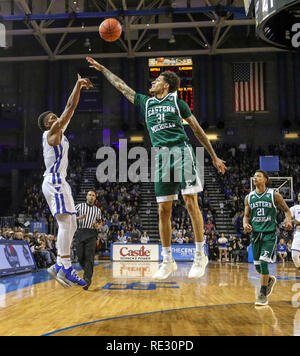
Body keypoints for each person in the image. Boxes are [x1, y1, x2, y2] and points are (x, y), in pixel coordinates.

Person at [86, 56, 226, 280]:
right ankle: (167, 259)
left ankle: (200, 254)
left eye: (157, 80)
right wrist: (103, 70)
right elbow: (122, 87)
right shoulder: (147, 102)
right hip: (161, 157)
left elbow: (198, 130)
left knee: (191, 202)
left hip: (181, 152)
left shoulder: (177, 103)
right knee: (163, 210)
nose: (152, 82)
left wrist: (214, 156)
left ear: (166, 85)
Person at [40, 73, 93, 288]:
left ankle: (58, 266)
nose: (56, 118)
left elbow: (70, 110)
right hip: (54, 180)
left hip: (61, 182)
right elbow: (70, 107)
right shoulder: (50, 134)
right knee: (64, 223)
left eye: (55, 116)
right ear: (46, 124)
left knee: (71, 223)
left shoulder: (59, 132)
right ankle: (65, 266)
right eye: (51, 117)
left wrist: (78, 87)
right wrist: (78, 85)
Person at [243, 169, 292, 306]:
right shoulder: (249, 197)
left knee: (264, 262)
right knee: (258, 268)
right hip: (255, 235)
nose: (255, 178)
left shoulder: (273, 195)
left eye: (258, 176)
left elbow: (287, 210)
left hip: (270, 234)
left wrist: (288, 221)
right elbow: (246, 216)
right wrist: (246, 224)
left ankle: (262, 293)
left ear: (265, 179)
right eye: (254, 176)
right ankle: (269, 280)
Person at [74, 190, 102, 290]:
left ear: (95, 198)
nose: (91, 197)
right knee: (80, 256)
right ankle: (87, 273)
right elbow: (70, 217)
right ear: (86, 196)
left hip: (91, 233)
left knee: (89, 257)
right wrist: (79, 218)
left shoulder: (97, 210)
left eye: (93, 195)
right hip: (80, 232)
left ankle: (87, 279)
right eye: (89, 195)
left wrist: (98, 226)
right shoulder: (79, 206)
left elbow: (100, 221)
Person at [290, 193, 300, 270]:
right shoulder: (294, 208)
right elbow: (287, 218)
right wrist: (292, 221)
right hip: (298, 233)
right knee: (294, 255)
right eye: (299, 195)